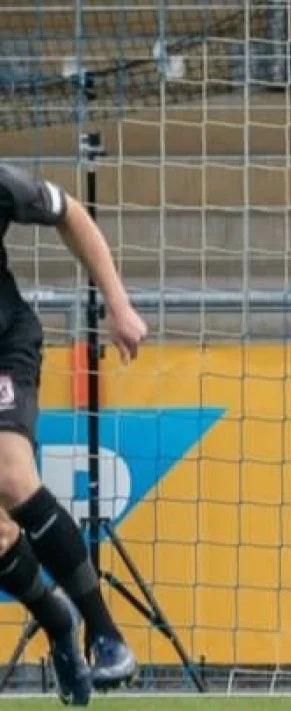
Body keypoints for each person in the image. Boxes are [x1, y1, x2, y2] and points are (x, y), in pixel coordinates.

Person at [0, 163, 148, 704]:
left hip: (3, 345)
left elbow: (71, 214)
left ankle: (106, 635)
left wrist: (118, 302)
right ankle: (57, 621)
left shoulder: (1, 184)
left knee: (10, 475)